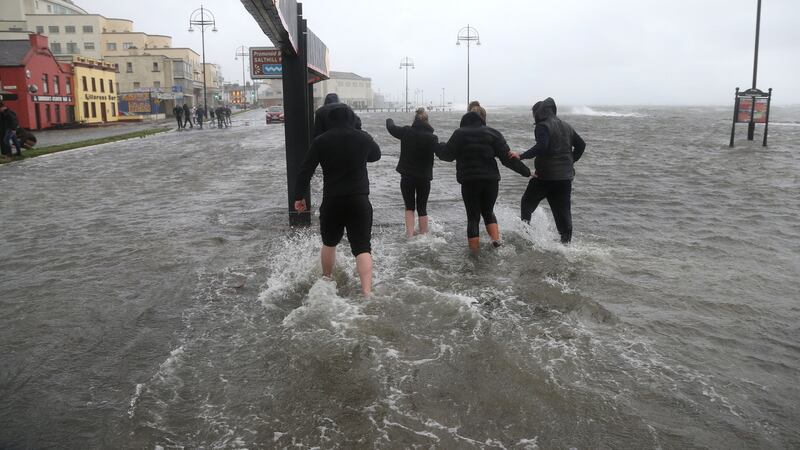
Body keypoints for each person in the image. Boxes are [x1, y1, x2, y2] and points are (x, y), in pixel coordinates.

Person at [294, 104, 381, 296]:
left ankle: (326, 279)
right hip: (359, 201)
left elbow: (304, 171)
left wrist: (299, 197)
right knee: (362, 247)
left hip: (332, 201)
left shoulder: (321, 141)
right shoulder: (363, 137)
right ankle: (367, 292)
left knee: (329, 242)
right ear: (352, 118)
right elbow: (376, 155)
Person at [438, 105, 531, 252]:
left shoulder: (459, 134)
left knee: (473, 217)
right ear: (483, 118)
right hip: (491, 181)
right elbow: (507, 159)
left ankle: (474, 255)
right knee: (488, 211)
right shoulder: (493, 133)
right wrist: (527, 172)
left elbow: (446, 156)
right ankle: (496, 244)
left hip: (470, 181)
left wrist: (438, 145)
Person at [510, 97, 586, 244]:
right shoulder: (567, 126)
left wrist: (521, 155)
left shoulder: (542, 126)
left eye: (534, 113)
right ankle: (566, 245)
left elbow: (542, 146)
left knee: (526, 204)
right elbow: (581, 145)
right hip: (564, 178)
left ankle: (526, 237)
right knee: (563, 213)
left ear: (538, 113)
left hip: (545, 177)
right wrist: (570, 161)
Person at [386, 107, 443, 237]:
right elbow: (441, 152)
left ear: (415, 119)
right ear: (427, 121)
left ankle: (410, 235)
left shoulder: (406, 132)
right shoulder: (432, 138)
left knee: (409, 207)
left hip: (407, 177)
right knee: (422, 208)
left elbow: (391, 128)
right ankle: (423, 235)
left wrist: (389, 119)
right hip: (424, 178)